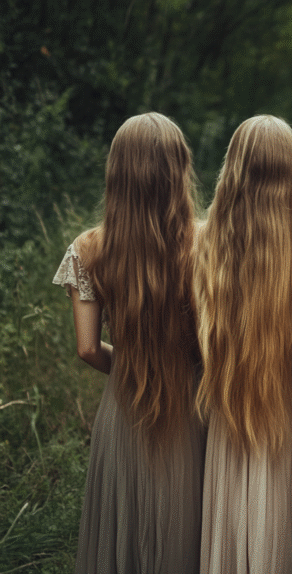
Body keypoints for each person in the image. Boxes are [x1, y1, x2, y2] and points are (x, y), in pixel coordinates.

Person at [52, 112, 206, 573]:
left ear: (116, 172)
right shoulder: (204, 243)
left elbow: (86, 347)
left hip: (124, 407)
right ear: (179, 170)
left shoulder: (88, 247)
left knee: (122, 534)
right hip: (189, 408)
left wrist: (131, 364)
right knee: (182, 534)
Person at [193, 115, 292, 573]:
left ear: (233, 168)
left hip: (228, 402)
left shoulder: (205, 243)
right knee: (288, 522)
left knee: (233, 525)